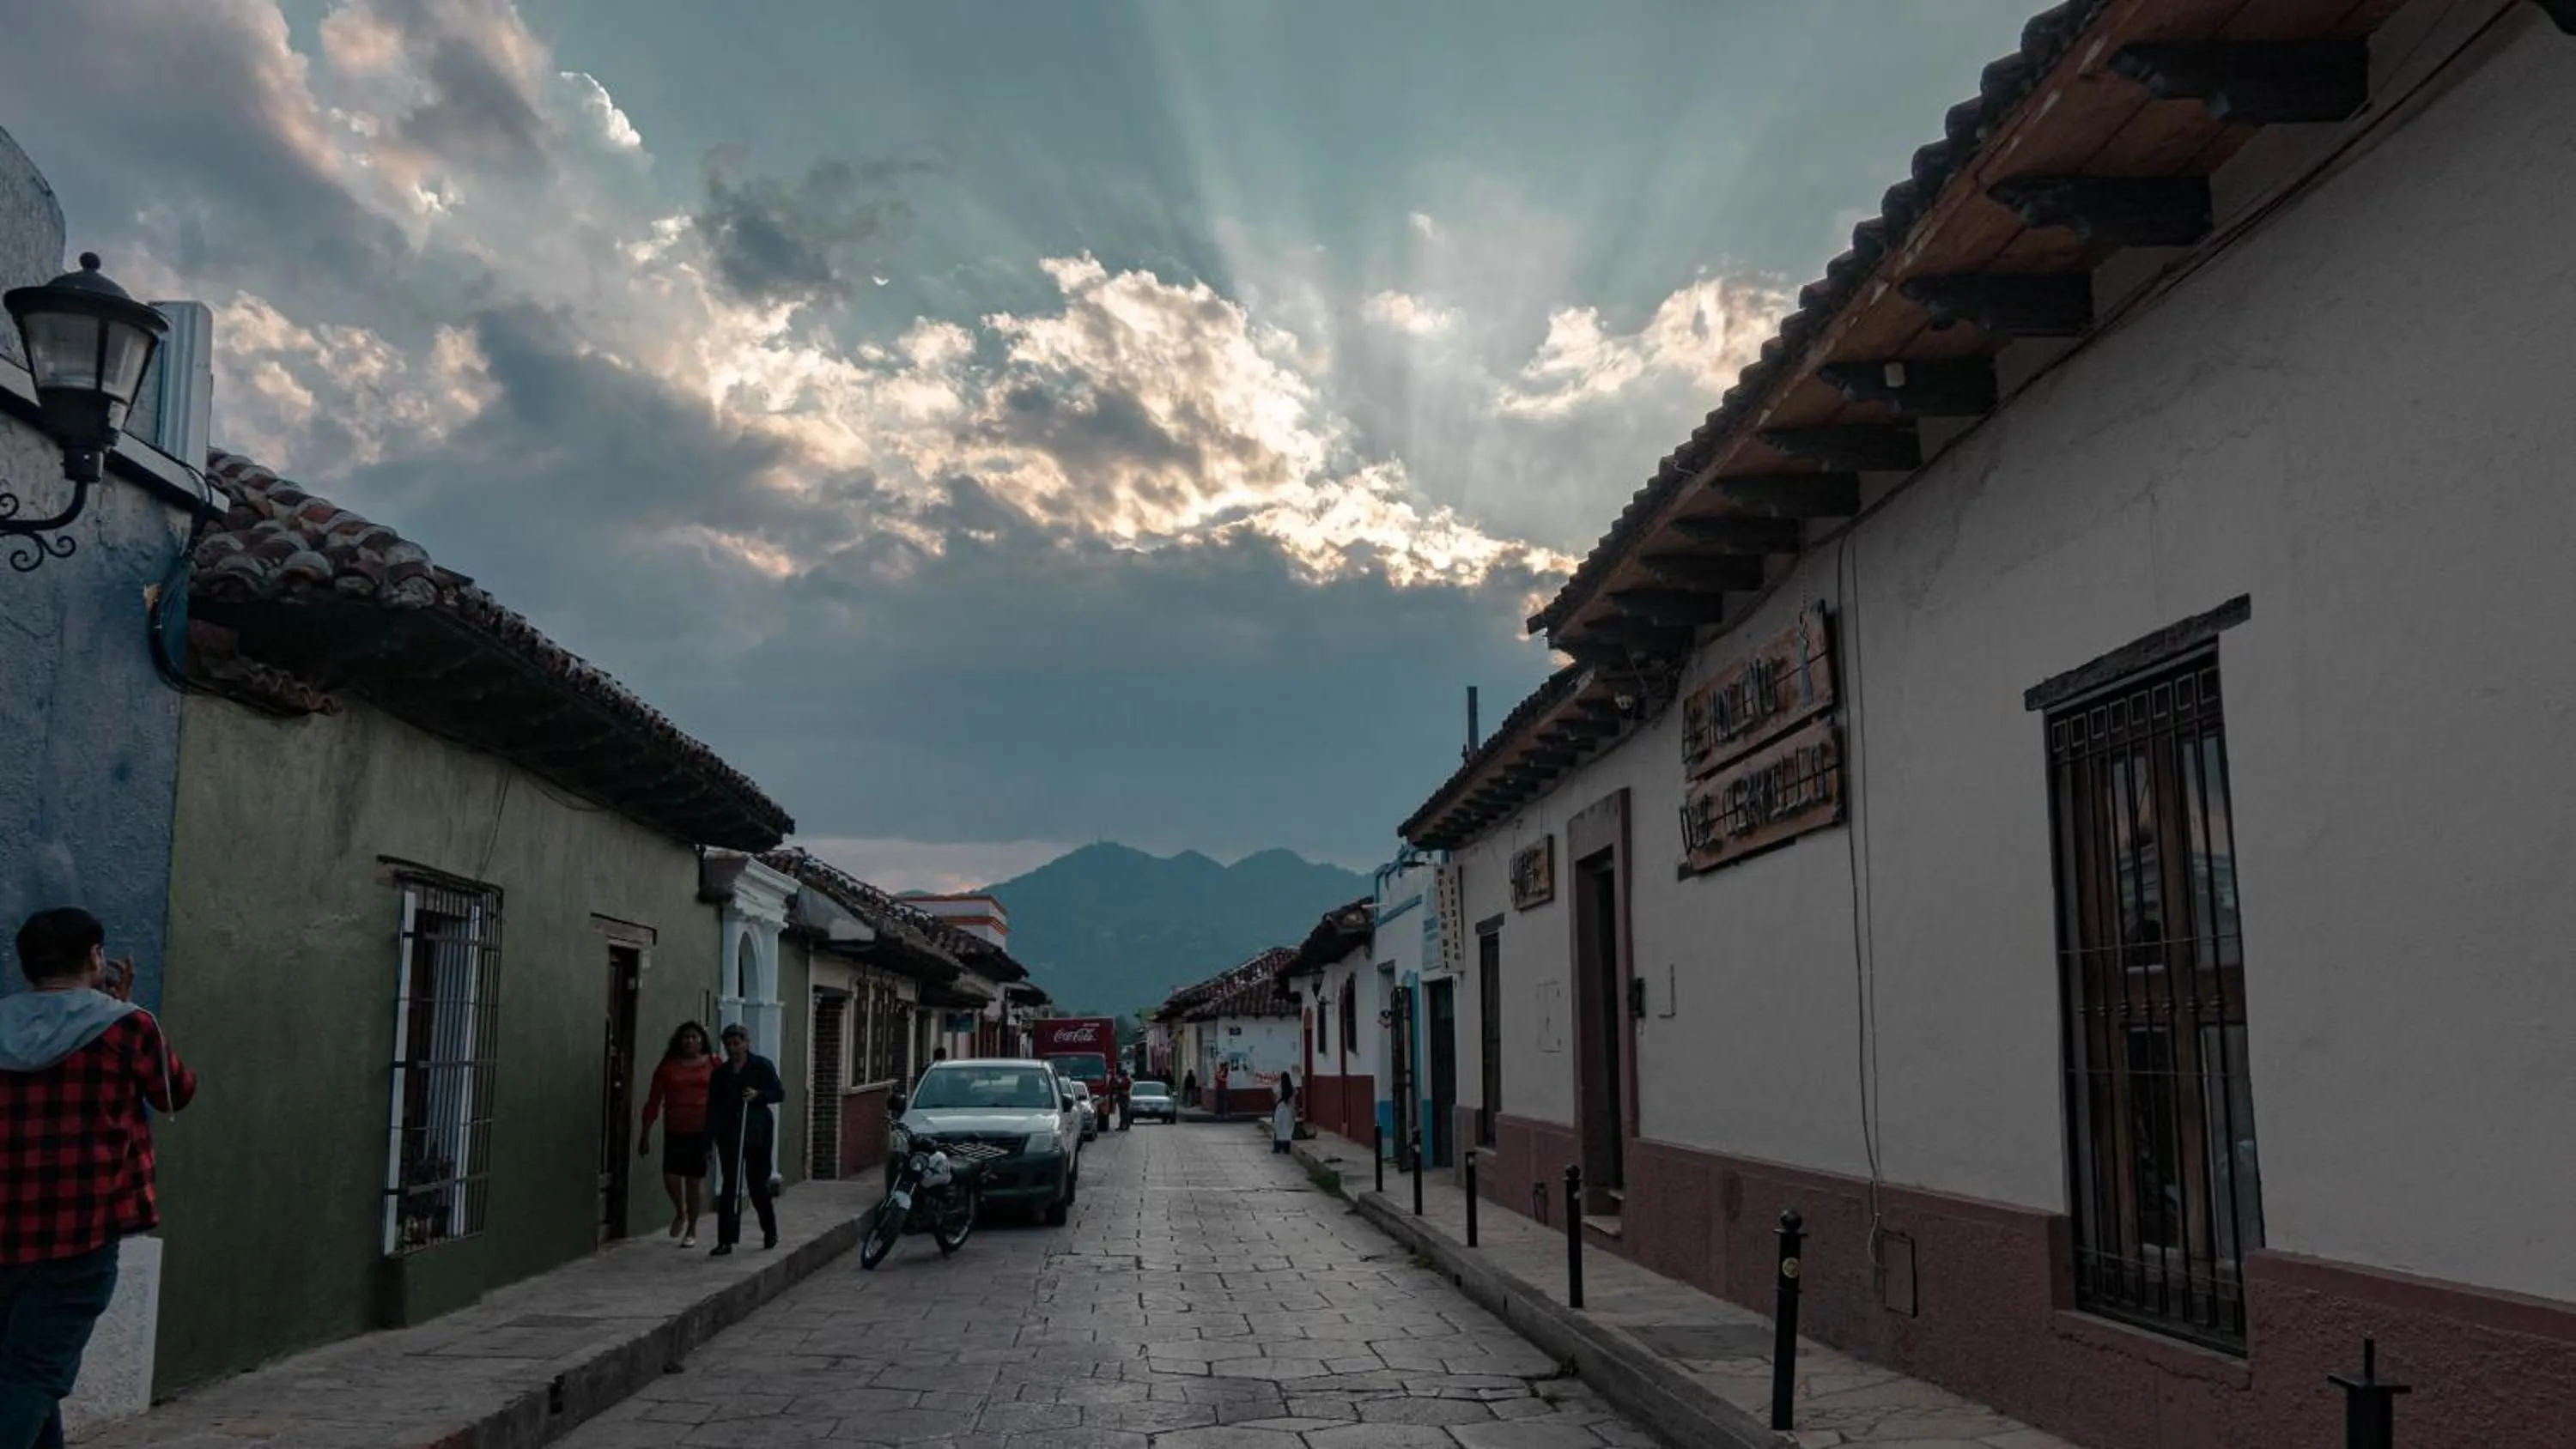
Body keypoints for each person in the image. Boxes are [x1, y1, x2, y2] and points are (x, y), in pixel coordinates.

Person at [1, 907, 196, 1449]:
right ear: (95, 957)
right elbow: (175, 1090)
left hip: (5, 1234)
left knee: (23, 1372)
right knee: (31, 1376)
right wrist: (120, 1007)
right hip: (79, 1235)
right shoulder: (126, 1028)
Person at [707, 1024, 784, 1257]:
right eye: (728, 1045)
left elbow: (779, 1093)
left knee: (757, 1185)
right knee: (730, 1186)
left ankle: (769, 1230)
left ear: (746, 1043)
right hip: (729, 1134)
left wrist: (758, 1096)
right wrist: (707, 1140)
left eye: (737, 1043)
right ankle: (725, 1240)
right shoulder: (721, 1073)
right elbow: (713, 1108)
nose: (733, 1049)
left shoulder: (761, 1066)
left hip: (757, 1132)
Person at [639, 1022, 716, 1247]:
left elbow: (725, 1091)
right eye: (686, 1037)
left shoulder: (713, 1063)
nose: (690, 1041)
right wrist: (645, 1133)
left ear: (702, 1040)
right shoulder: (668, 1067)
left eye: (694, 1037)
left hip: (702, 1130)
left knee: (694, 1180)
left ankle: (691, 1228)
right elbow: (653, 1101)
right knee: (671, 1176)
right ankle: (680, 1211)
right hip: (675, 1128)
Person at [1271, 1070, 1297, 1155]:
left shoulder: (1278, 1088)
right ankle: (1286, 1149)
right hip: (1288, 1110)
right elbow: (1294, 1103)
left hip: (1279, 1110)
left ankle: (1277, 1148)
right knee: (1288, 1130)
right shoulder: (1292, 1089)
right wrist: (1294, 1114)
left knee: (1278, 1128)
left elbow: (1275, 1099)